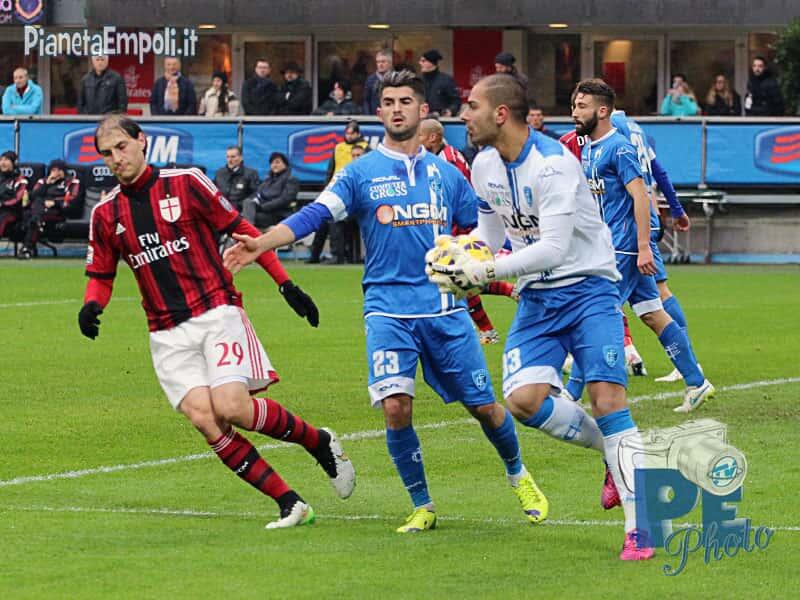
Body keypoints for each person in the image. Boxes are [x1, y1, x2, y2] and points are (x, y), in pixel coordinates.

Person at [224, 70, 549, 534]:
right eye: (390, 102)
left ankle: (518, 474)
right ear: (380, 113)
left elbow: (484, 228)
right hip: (386, 310)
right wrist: (263, 242)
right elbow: (316, 214)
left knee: (484, 407)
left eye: (406, 101)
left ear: (422, 110)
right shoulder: (359, 173)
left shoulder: (447, 175)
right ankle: (422, 506)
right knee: (396, 407)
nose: (397, 109)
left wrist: (506, 259)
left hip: (444, 309)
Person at [79, 114, 353, 529]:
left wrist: (285, 284)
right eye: (106, 153)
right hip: (165, 333)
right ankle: (290, 503)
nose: (116, 158)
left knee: (232, 407)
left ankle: (318, 441)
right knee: (205, 418)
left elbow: (243, 231)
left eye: (121, 147)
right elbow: (101, 275)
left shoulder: (187, 182)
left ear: (141, 141)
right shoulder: (105, 213)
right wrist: (91, 306)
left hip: (215, 310)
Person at [430, 72, 653, 561]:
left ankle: (641, 528)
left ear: (500, 114)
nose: (463, 116)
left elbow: (552, 249)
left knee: (607, 401)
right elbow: (490, 237)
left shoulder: (554, 165)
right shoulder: (484, 165)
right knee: (523, 401)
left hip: (589, 288)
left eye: (472, 106)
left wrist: (486, 270)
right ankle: (615, 455)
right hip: (538, 297)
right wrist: (460, 256)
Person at [568, 79, 714, 413]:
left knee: (593, 315)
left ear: (602, 111)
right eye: (574, 105)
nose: (575, 112)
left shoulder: (619, 148)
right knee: (652, 313)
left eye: (582, 106)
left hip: (624, 248)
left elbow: (641, 195)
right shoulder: (589, 148)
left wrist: (644, 246)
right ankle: (697, 382)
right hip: (609, 245)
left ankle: (571, 392)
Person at [417, 117, 517, 345]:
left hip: (461, 226)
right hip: (454, 224)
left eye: (419, 136)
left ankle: (486, 328)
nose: (416, 141)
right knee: (458, 278)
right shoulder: (442, 156)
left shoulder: (448, 161)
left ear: (432, 138)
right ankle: (504, 301)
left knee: (457, 277)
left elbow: (457, 196)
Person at [307, 120, 368, 264]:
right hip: (337, 189)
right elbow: (331, 170)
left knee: (334, 218)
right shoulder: (338, 147)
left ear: (358, 134)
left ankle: (337, 255)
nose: (349, 136)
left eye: (352, 133)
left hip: (354, 196)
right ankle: (314, 256)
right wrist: (327, 190)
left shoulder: (366, 148)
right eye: (347, 133)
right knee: (322, 218)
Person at [19, 160, 80, 259]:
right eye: (53, 170)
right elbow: (33, 196)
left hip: (58, 211)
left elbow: (73, 201)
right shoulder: (42, 181)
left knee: (33, 216)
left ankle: (27, 248)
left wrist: (55, 203)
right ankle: (27, 248)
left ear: (64, 171)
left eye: (59, 170)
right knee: (36, 209)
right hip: (40, 210)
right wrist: (47, 184)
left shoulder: (72, 182)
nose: (56, 173)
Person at [242, 152, 299, 228]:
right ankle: (248, 230)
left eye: (277, 162)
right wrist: (255, 204)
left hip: (278, 214)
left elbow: (284, 200)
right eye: (272, 163)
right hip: (264, 211)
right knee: (247, 202)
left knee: (245, 218)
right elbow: (257, 194)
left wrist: (263, 207)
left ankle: (248, 231)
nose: (274, 165)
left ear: (285, 164)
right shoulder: (268, 180)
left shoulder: (291, 180)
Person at [213, 146, 260, 211]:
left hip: (239, 210)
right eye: (228, 157)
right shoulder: (219, 173)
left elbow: (255, 194)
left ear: (241, 158)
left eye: (233, 157)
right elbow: (213, 191)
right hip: (220, 208)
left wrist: (240, 205)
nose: (230, 160)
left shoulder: (251, 173)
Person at [418, 50, 461, 117]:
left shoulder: (446, 80)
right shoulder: (418, 81)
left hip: (441, 119)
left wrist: (450, 111)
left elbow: (456, 101)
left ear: (431, 63)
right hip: (421, 118)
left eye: (423, 61)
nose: (420, 63)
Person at [0, 151, 28, 240]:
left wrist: (2, 204)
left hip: (11, 211)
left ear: (14, 163)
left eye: (6, 160)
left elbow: (18, 199)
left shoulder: (21, 180)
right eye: (1, 160)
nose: (2, 163)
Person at [363, 49, 393, 115]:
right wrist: (368, 117)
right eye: (378, 62)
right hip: (374, 117)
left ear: (390, 63)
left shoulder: (395, 77)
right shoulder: (370, 80)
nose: (380, 64)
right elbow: (366, 101)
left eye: (383, 62)